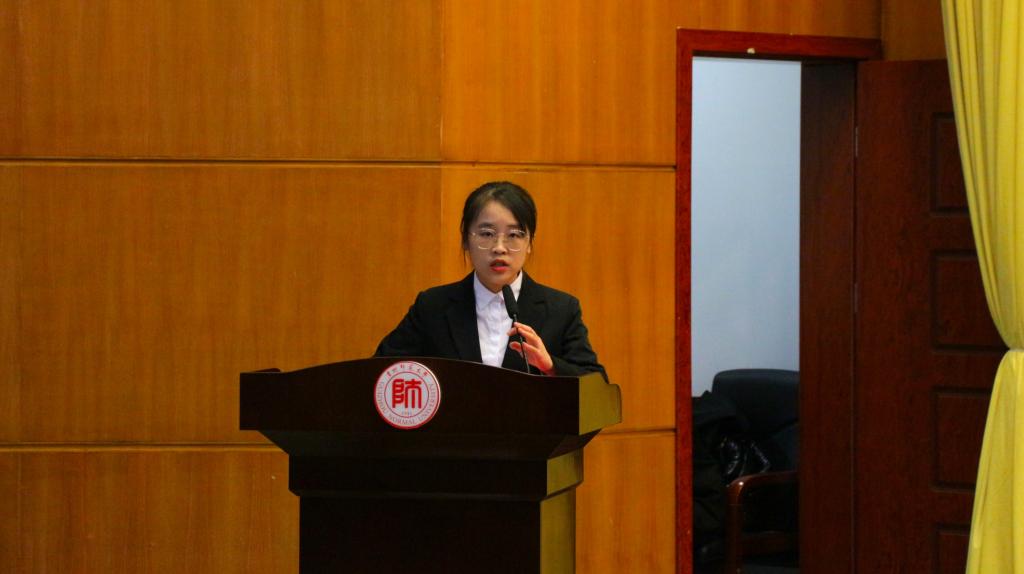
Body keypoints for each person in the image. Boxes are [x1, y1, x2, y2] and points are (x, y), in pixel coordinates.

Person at [375, 181, 606, 380]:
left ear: (530, 243)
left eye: (514, 235)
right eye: (486, 234)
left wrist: (551, 366)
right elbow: (381, 372)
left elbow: (597, 386)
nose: (499, 248)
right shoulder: (433, 306)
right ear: (465, 240)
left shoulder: (561, 309)